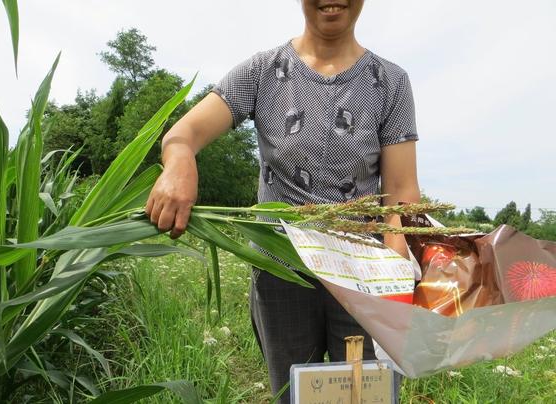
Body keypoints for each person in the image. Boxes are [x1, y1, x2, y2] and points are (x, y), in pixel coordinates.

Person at [145, 0, 420, 401]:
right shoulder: (261, 71)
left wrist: (397, 285)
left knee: (367, 394)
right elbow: (182, 134)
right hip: (280, 270)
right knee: (292, 393)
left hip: (364, 277)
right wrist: (180, 163)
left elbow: (400, 192)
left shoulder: (390, 82)